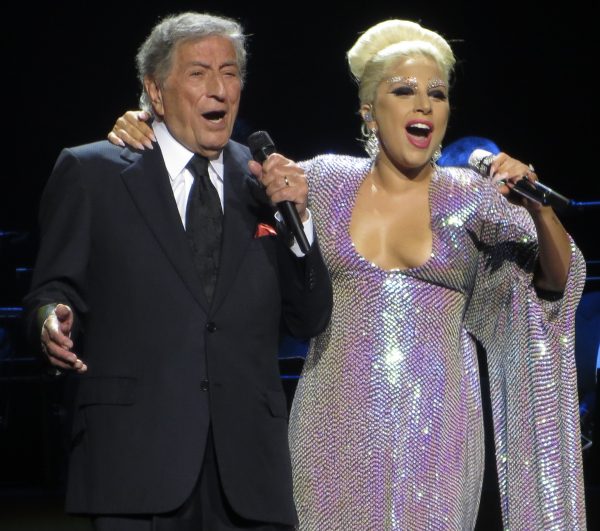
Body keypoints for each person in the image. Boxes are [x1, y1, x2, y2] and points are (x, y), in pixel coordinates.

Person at [107, 19, 587, 530]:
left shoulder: (473, 195)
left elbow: (554, 284)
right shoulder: (322, 180)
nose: (424, 105)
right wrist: (150, 122)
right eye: (404, 91)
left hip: (441, 433)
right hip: (331, 426)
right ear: (369, 111)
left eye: (437, 94)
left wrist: (540, 209)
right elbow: (216, 171)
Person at [23, 11, 333, 531]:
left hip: (249, 474)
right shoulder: (93, 172)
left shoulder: (265, 185)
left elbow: (309, 319)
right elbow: (50, 290)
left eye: (230, 72)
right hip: (134, 464)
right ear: (156, 92)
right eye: (198, 73)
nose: (219, 89)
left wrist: (299, 221)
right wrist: (48, 322)